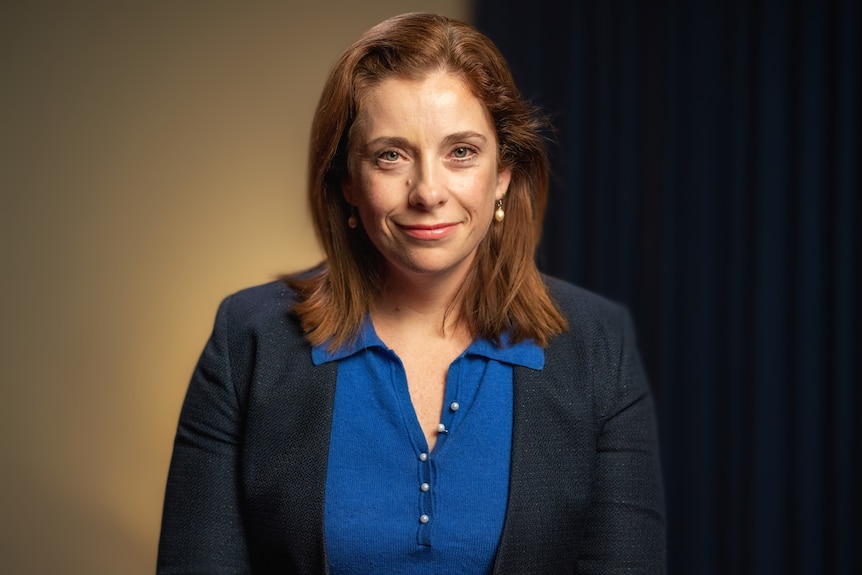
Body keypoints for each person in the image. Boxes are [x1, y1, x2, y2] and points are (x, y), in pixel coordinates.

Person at [157, 12, 665, 575]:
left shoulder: (598, 345)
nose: (427, 192)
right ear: (347, 180)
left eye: (462, 152)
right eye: (390, 155)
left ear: (504, 173)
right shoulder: (248, 339)